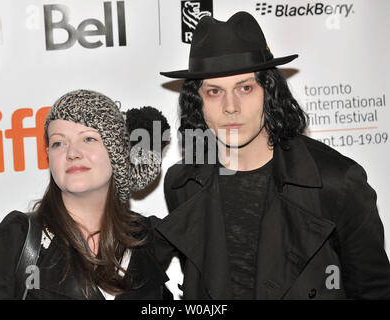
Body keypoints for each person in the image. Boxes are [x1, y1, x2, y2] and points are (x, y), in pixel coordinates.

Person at [155, 11, 390, 299]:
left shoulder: (335, 182)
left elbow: (374, 290)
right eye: (214, 91)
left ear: (269, 91)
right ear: (198, 102)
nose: (231, 106)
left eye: (245, 87)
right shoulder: (181, 183)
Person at [0, 89, 171, 300]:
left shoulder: (146, 240)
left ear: (117, 153)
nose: (72, 153)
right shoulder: (18, 238)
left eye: (88, 139)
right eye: (58, 143)